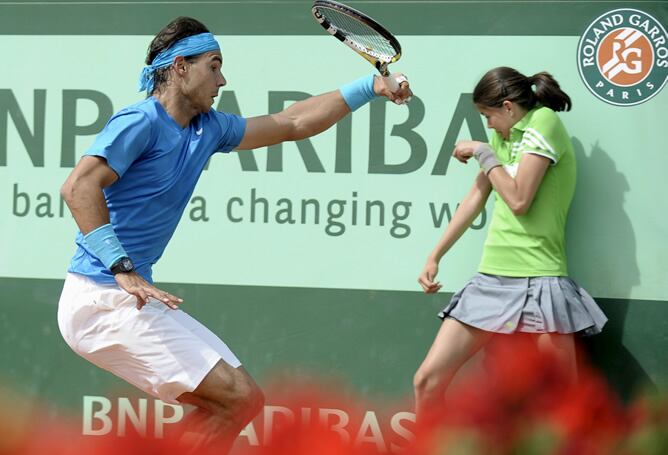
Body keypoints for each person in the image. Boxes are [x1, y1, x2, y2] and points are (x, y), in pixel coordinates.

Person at [57, 16, 412, 452]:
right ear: (181, 67)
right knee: (237, 399)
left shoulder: (208, 129)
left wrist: (370, 88)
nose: (222, 79)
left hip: (126, 297)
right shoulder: (140, 121)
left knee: (242, 401)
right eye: (214, 66)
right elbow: (78, 186)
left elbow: (293, 122)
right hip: (101, 299)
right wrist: (122, 267)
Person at [413, 67, 607, 420]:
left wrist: (483, 152)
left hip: (541, 281)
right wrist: (435, 254)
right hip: (491, 280)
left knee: (562, 408)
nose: (488, 125)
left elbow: (519, 200)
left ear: (507, 107)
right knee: (427, 381)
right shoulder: (503, 136)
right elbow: (475, 197)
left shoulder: (544, 122)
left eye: (488, 116)